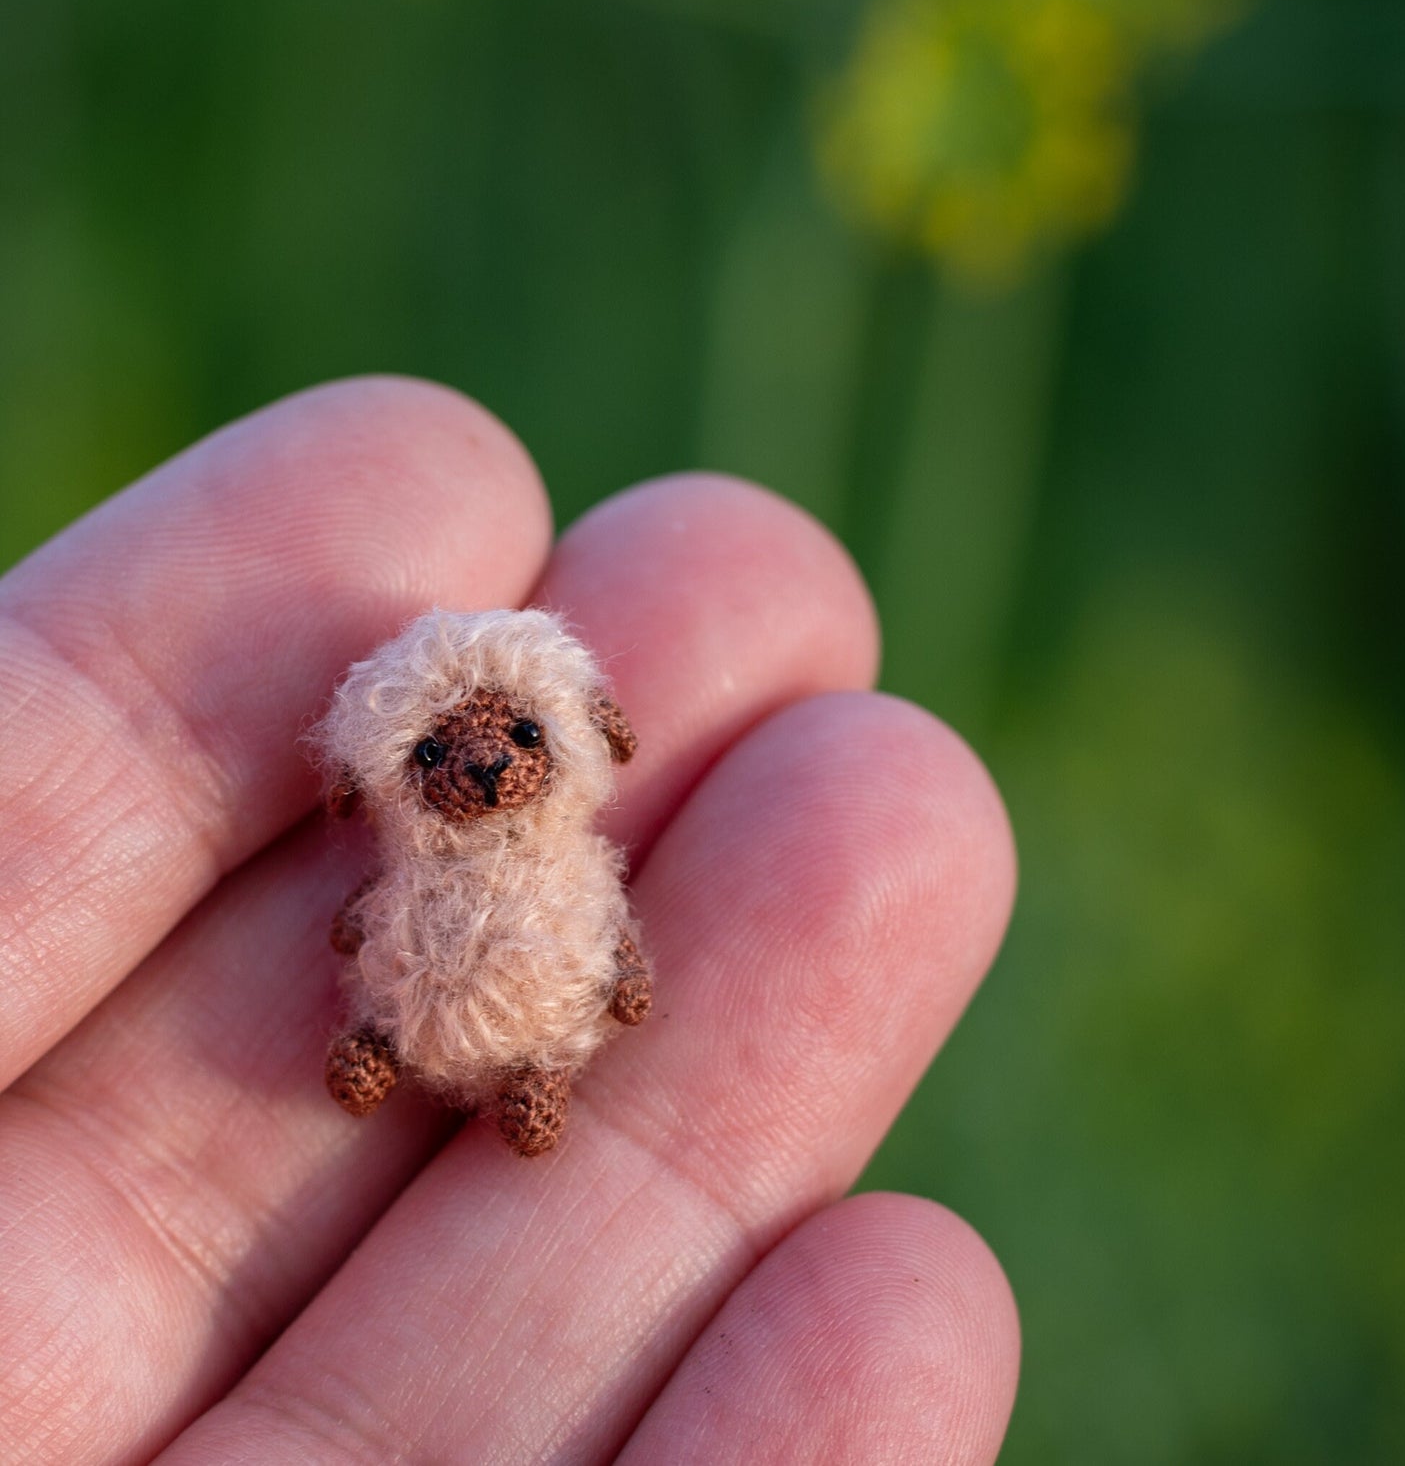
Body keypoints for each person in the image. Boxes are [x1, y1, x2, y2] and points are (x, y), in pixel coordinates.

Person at [0, 377, 1019, 1464]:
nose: (482, 764)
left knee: (553, 1009)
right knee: (391, 993)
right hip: (415, 992)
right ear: (376, 779)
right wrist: (357, 932)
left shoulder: (572, 859)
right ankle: (383, 1044)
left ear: (587, 739)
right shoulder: (400, 860)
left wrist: (620, 963)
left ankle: (537, 1074)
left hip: (539, 1001)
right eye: (434, 751)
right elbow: (365, 917)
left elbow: (601, 918)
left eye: (517, 735)